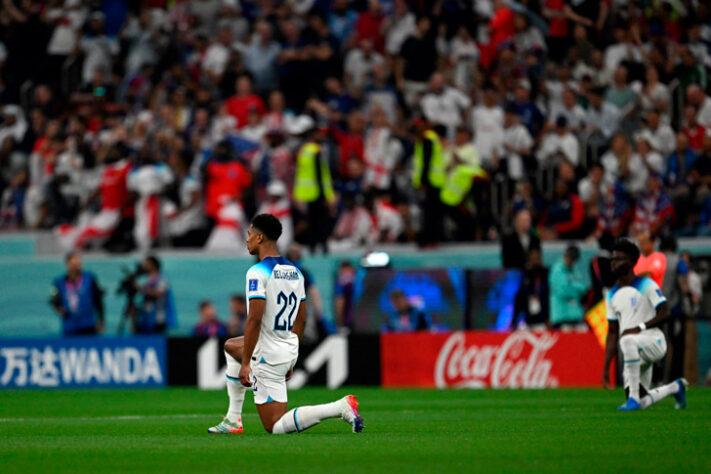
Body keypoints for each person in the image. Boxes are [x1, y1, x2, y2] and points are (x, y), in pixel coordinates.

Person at [208, 214, 363, 435]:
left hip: (268, 354)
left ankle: (338, 407)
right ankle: (233, 420)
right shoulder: (296, 272)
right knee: (231, 346)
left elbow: (254, 318)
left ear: (260, 237)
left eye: (249, 234)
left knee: (275, 426)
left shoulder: (256, 272)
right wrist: (292, 354)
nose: (247, 239)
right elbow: (302, 318)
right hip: (286, 348)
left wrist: (246, 364)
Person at [603, 238, 688, 411]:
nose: (613, 262)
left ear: (631, 262)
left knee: (626, 338)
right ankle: (675, 388)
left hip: (653, 341)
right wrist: (606, 368)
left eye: (618, 259)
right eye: (612, 259)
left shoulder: (647, 285)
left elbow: (665, 311)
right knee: (643, 402)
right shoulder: (611, 295)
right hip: (632, 353)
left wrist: (640, 327)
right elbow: (612, 332)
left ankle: (632, 399)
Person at [50, 251, 105, 335]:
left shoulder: (89, 278)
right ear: (68, 264)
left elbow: (98, 299)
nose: (76, 266)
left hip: (88, 324)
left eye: (78, 263)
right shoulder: (60, 282)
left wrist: (101, 319)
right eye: (73, 263)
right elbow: (54, 298)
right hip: (70, 325)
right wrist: (58, 308)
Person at [134, 255, 177, 334]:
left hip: (158, 318)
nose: (145, 266)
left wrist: (141, 289)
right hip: (146, 317)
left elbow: (158, 293)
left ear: (153, 265)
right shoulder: (146, 279)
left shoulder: (162, 278)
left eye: (147, 264)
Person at [549, 244, 587, 330]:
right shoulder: (557, 270)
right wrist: (576, 290)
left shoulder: (575, 269)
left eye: (574, 259)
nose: (572, 261)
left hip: (575, 316)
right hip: (561, 317)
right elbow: (563, 291)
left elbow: (583, 288)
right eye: (571, 258)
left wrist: (571, 286)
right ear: (565, 255)